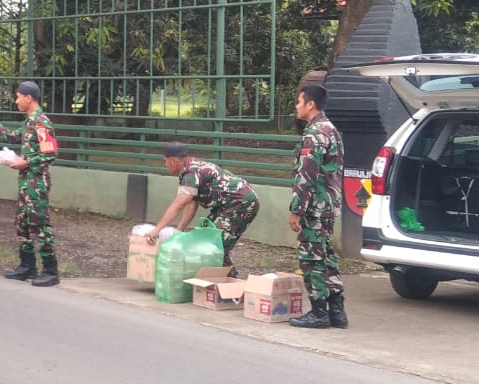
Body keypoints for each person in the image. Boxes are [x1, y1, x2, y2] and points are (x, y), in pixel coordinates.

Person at [0, 81, 60, 287]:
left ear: (29, 98)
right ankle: (27, 265)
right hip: (26, 181)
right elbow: (14, 137)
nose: (16, 100)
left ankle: (50, 270)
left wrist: (26, 162)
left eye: (18, 96)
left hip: (36, 183)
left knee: (39, 225)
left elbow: (51, 153)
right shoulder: (30, 122)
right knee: (22, 223)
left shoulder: (41, 123)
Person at [144, 141, 260, 276]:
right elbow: (191, 204)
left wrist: (156, 230)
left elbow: (179, 204)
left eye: (166, 161)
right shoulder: (189, 169)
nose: (165, 165)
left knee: (213, 244)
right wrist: (179, 231)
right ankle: (224, 283)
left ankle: (229, 284)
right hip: (226, 205)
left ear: (174, 160)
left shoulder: (191, 172)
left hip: (240, 203)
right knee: (203, 236)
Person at [287, 84, 346, 329]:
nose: (297, 107)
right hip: (329, 205)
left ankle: (319, 311)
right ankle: (337, 312)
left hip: (315, 207)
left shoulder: (314, 134)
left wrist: (296, 210)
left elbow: (306, 176)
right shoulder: (331, 130)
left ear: (310, 104)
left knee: (311, 258)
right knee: (327, 256)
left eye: (299, 102)